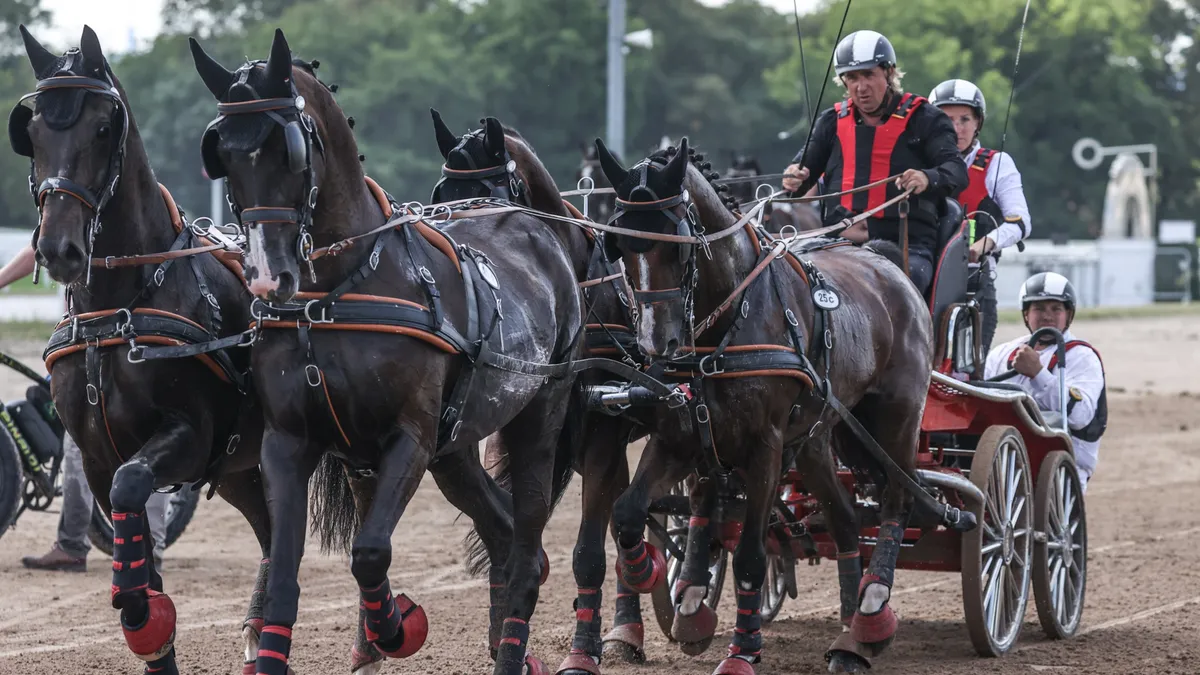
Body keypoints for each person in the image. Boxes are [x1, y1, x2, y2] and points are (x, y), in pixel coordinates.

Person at [0, 244, 170, 571]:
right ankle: (79, 544)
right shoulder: (82, 210)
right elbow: (42, 245)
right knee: (82, 444)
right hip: (88, 339)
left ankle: (126, 548)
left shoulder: (116, 209)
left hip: (122, 342)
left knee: (122, 444)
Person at [782, 30, 967, 295]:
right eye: (852, 78)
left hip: (906, 247)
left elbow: (956, 171)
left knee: (892, 289)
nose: (861, 86)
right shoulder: (831, 122)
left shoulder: (927, 119)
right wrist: (793, 177)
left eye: (869, 75)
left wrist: (927, 178)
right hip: (835, 244)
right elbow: (800, 175)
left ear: (889, 73)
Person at [929, 78, 1032, 353]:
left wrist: (984, 244)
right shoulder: (918, 165)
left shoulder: (996, 164)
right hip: (921, 275)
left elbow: (1021, 221)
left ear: (978, 123)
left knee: (969, 367)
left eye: (965, 119)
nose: (956, 128)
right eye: (947, 119)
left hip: (973, 282)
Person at [983, 272, 1106, 492]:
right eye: (1039, 308)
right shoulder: (1001, 354)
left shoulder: (1082, 356)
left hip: (1061, 465)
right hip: (1000, 458)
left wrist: (1038, 373)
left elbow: (1080, 416)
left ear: (1069, 314)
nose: (1047, 316)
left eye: (1055, 309)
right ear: (1026, 314)